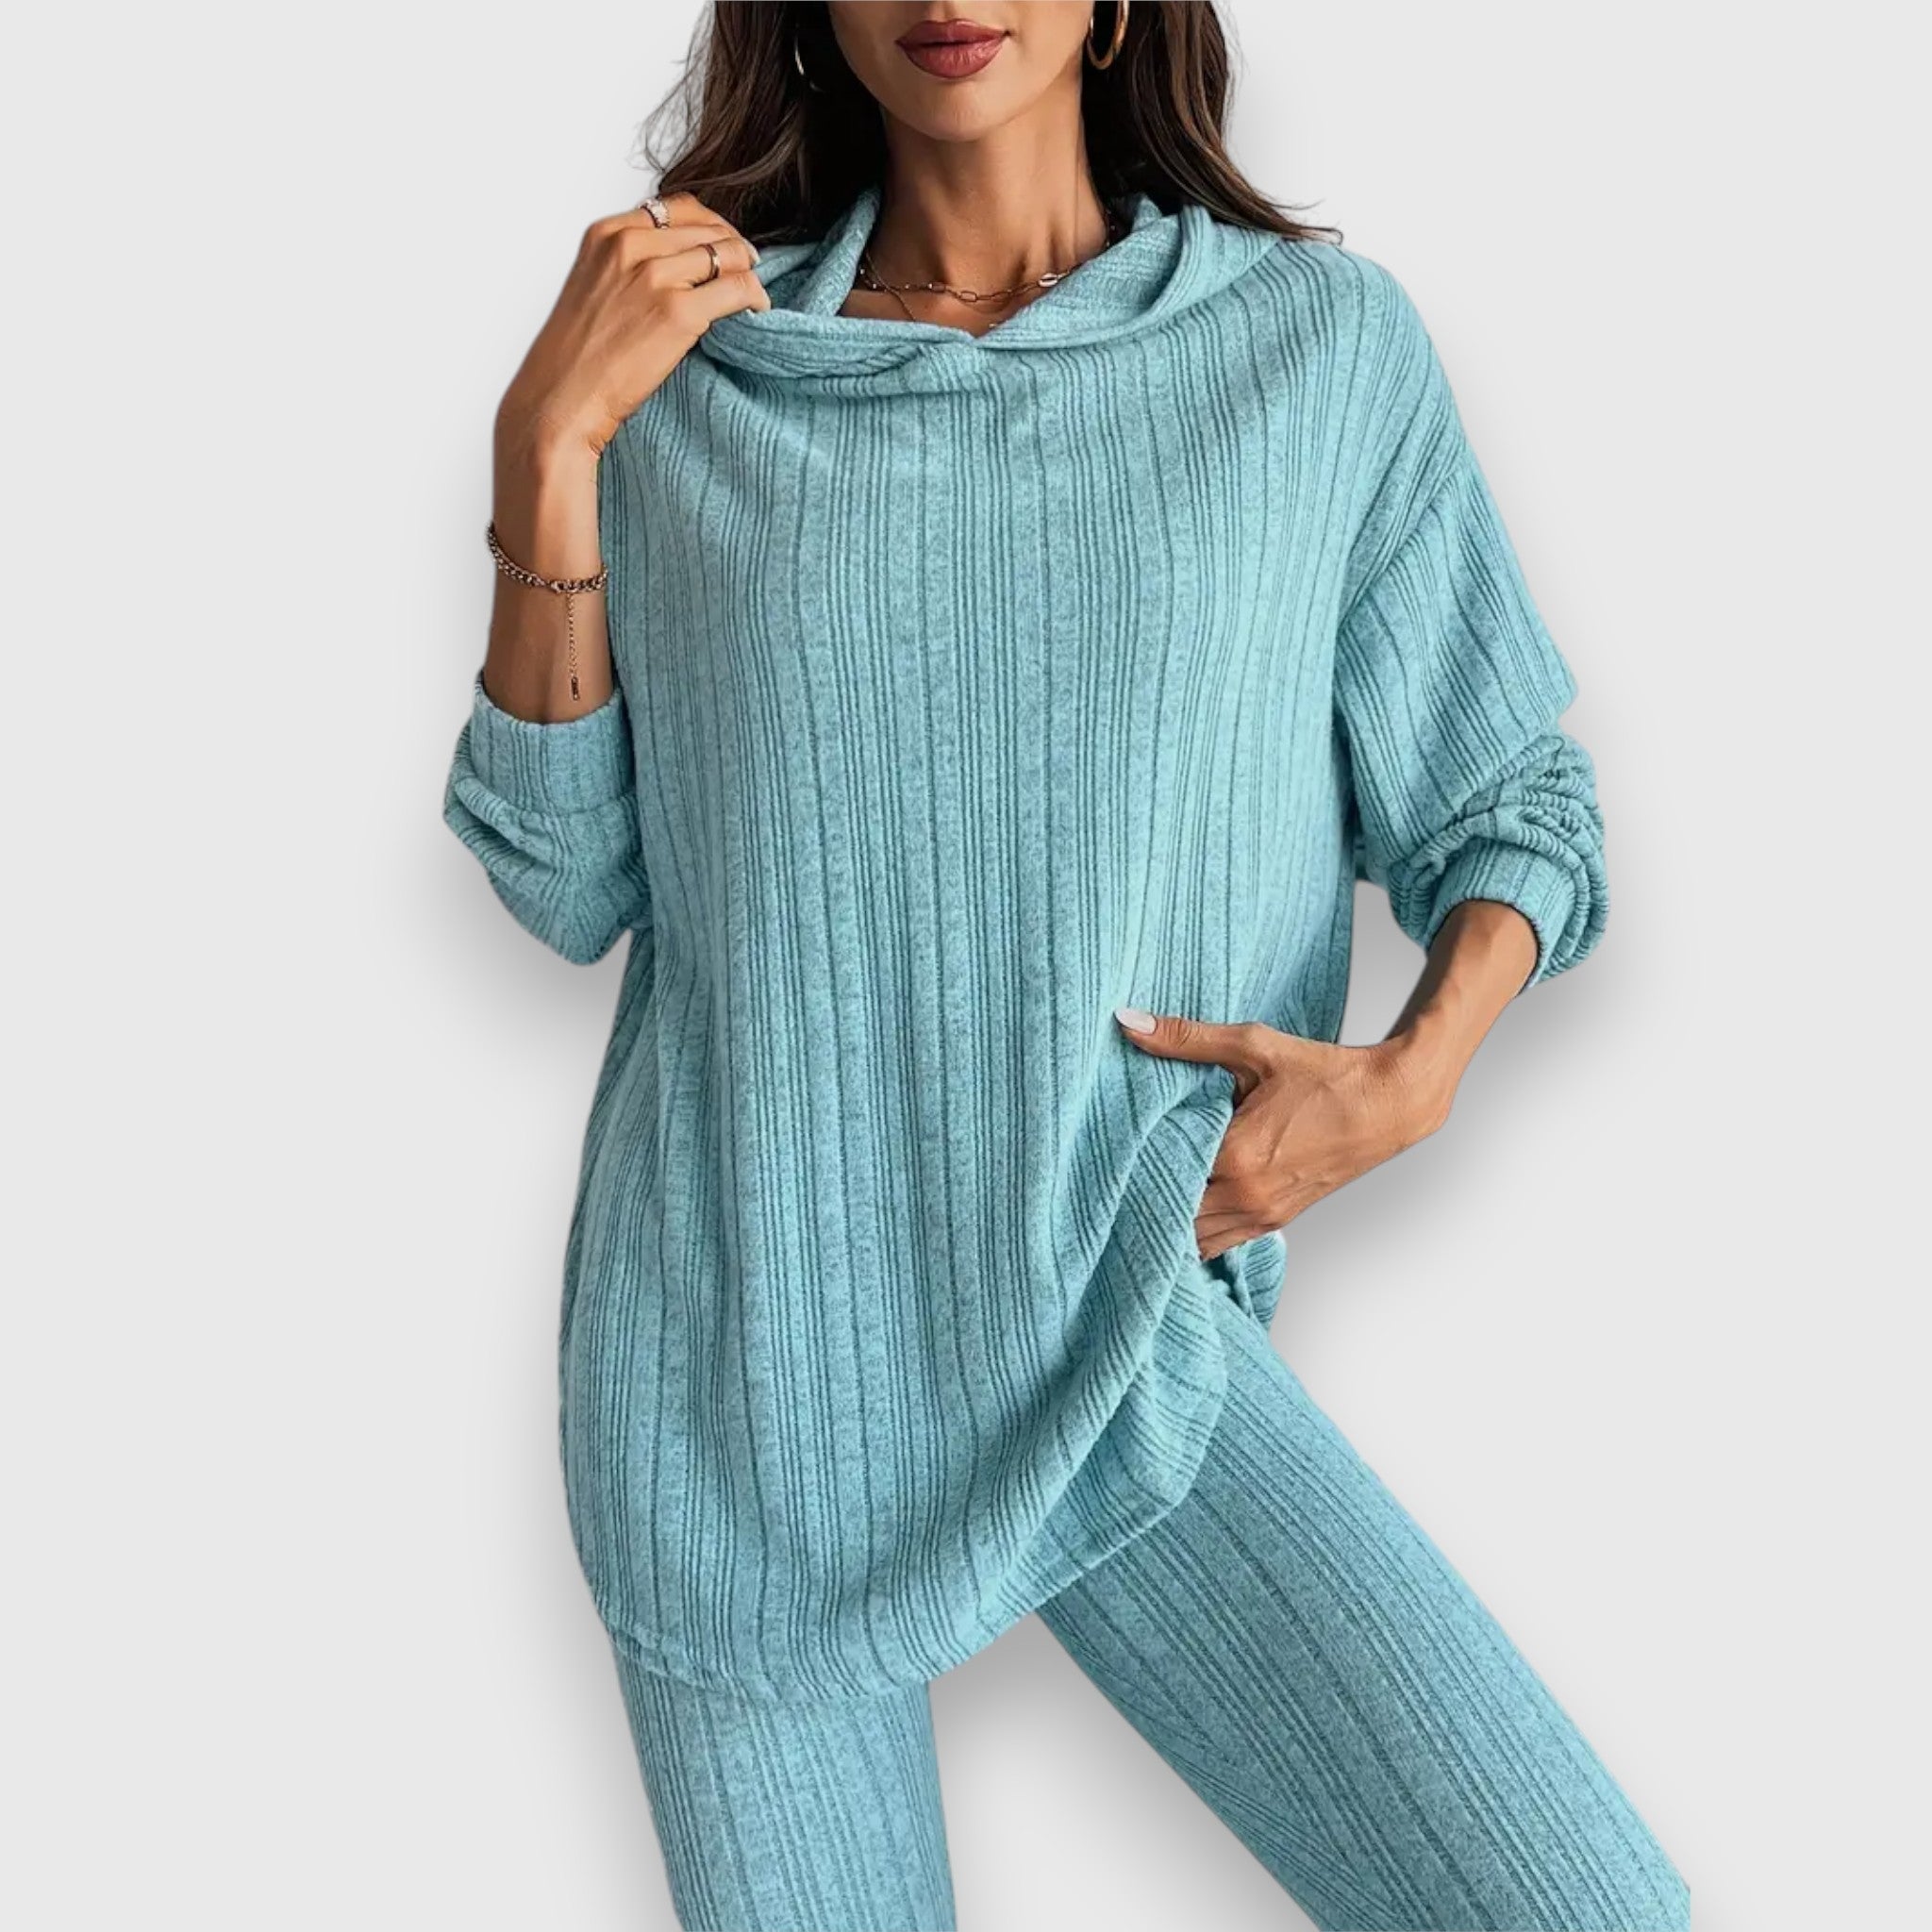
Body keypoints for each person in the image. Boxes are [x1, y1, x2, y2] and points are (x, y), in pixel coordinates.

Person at [441, 5, 1692, 1927]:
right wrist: (546, 449)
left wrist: (1411, 1077)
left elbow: (1505, 796)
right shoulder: (687, 380)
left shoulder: (1312, 352)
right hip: (744, 1375)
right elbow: (564, 878)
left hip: (1121, 1315)